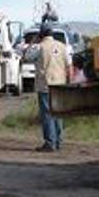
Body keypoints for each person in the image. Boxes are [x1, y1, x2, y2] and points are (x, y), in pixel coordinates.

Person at [31, 23, 72, 152]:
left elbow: (26, 56)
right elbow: (69, 67)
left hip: (45, 85)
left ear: (41, 34)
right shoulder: (62, 46)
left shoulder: (39, 47)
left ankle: (50, 142)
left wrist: (33, 41)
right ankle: (58, 141)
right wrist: (68, 83)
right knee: (58, 113)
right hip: (60, 84)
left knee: (47, 114)